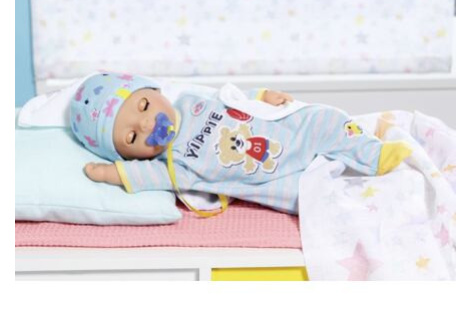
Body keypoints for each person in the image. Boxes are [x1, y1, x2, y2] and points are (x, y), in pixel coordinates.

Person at [71, 72, 412, 215]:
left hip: (285, 135)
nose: (147, 124)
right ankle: (372, 199)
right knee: (313, 199)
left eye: (144, 105)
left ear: (154, 90)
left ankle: (375, 155)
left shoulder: (191, 102)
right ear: (126, 153)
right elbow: (142, 176)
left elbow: (233, 100)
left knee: (326, 119)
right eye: (132, 137)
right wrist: (106, 173)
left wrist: (262, 96)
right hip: (269, 180)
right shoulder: (173, 165)